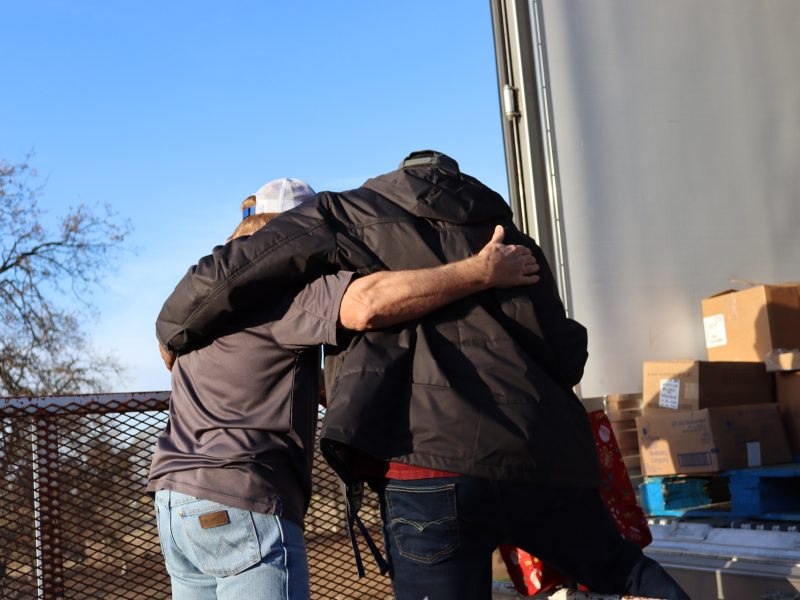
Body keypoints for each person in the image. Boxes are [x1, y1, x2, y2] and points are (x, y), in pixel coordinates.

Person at [155, 151, 690, 600]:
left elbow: (352, 315)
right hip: (538, 456)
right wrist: (481, 276)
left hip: (406, 468)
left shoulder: (214, 313)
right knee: (619, 566)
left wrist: (170, 327)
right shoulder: (509, 242)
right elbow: (567, 352)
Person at [149, 175, 539, 600]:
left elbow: (246, 374)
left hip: (176, 504)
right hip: (245, 498)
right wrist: (480, 272)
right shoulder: (288, 286)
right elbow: (368, 304)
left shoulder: (205, 306)